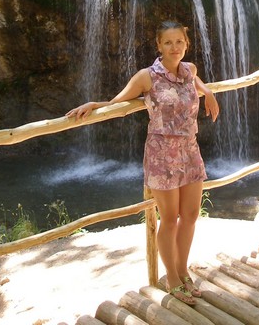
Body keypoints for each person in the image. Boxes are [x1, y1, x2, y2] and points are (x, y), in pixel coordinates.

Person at [66, 20, 219, 305]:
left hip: (190, 150)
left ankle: (183, 270)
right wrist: (94, 105)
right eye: (168, 42)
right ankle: (172, 277)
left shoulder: (190, 70)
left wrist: (207, 91)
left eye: (179, 42)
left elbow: (195, 80)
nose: (174, 47)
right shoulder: (146, 77)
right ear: (159, 45)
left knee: (190, 215)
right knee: (169, 219)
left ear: (187, 44)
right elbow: (117, 102)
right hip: (162, 155)